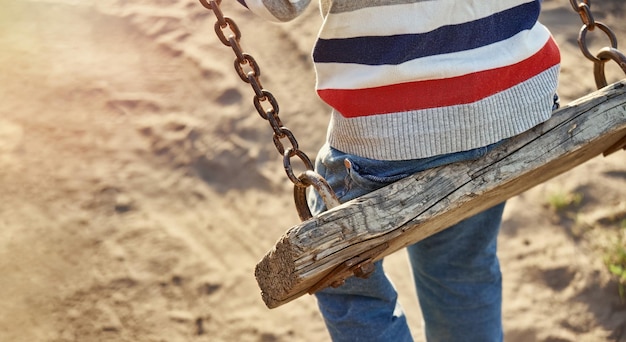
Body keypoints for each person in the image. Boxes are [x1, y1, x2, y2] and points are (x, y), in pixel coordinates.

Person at [239, 0, 560, 341]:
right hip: (511, 95)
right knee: (461, 268)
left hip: (397, 120)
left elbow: (281, 6)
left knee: (335, 270)